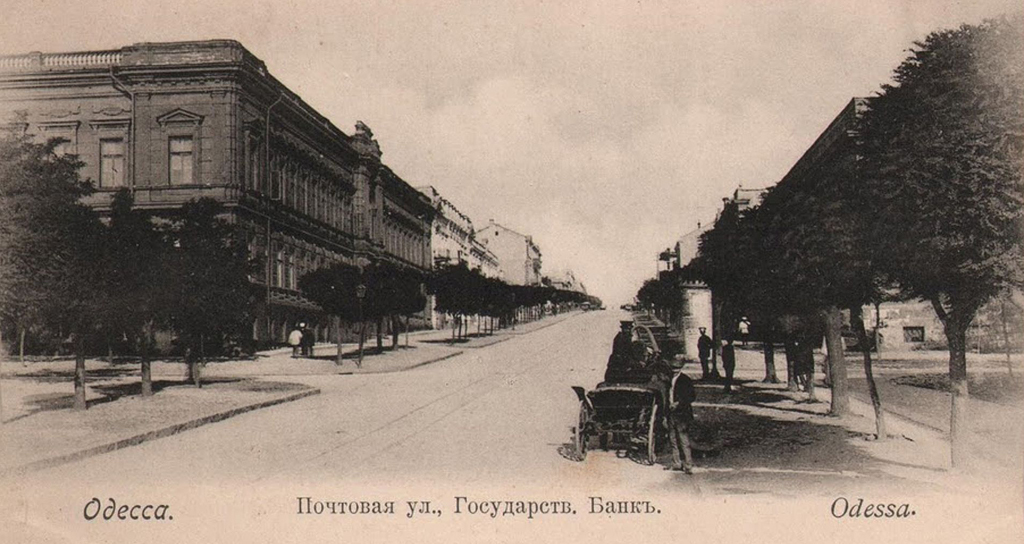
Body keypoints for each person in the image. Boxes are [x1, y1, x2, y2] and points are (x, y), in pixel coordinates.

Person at [661, 363, 696, 474]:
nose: (674, 371)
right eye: (673, 369)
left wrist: (679, 403)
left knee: (683, 441)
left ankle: (688, 465)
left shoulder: (685, 380)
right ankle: (676, 463)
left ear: (680, 368)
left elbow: (692, 396)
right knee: (673, 440)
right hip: (671, 413)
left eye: (676, 369)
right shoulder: (668, 380)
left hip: (682, 414)